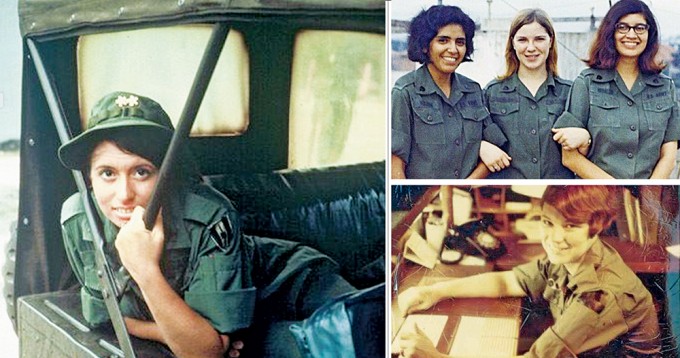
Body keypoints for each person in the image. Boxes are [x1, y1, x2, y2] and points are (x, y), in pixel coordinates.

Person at [58, 91, 356, 357]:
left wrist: (146, 271)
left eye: (141, 172)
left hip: (289, 285)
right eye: (107, 173)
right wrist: (181, 335)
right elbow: (103, 316)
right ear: (89, 177)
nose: (123, 195)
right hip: (242, 321)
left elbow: (204, 352)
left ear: (166, 174)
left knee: (356, 336)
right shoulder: (79, 219)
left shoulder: (208, 215)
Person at [396, 186, 661, 357]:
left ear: (598, 226)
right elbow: (509, 281)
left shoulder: (600, 295)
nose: (555, 237)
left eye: (570, 226)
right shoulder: (572, 256)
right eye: (548, 222)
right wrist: (434, 291)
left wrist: (433, 356)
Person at [552, 0, 680, 179]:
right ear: (610, 32)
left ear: (649, 34)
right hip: (597, 198)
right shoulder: (587, 83)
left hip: (647, 200)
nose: (631, 34)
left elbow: (669, 156)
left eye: (640, 28)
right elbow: (570, 157)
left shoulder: (665, 88)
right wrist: (617, 191)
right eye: (623, 27)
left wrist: (646, 195)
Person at [391, 5, 508, 179]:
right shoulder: (405, 92)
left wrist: (467, 185)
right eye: (443, 40)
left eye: (460, 42)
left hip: (466, 195)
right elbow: (396, 161)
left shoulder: (473, 90)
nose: (453, 49)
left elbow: (495, 149)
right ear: (425, 46)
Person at [483, 9, 575, 179]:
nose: (531, 48)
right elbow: (469, 135)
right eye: (523, 40)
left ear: (550, 41)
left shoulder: (572, 92)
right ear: (513, 43)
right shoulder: (491, 93)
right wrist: (480, 146)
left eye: (539, 39)